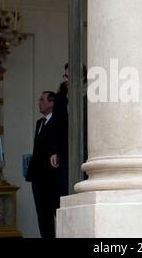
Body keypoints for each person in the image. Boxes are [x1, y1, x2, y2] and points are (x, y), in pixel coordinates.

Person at [50, 63, 87, 196]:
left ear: (81, 77)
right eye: (65, 76)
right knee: (66, 188)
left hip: (87, 147)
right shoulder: (60, 98)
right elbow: (55, 125)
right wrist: (54, 151)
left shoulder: (92, 94)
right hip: (66, 149)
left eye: (68, 77)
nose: (65, 80)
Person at [26, 91, 60, 238]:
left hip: (52, 176)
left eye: (42, 100)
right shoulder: (39, 123)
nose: (39, 103)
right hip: (37, 176)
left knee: (56, 211)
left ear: (52, 103)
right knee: (42, 214)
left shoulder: (58, 121)